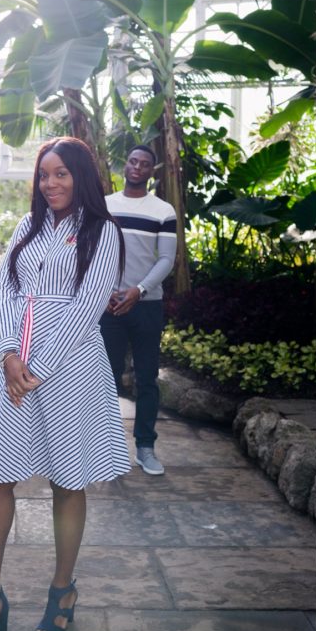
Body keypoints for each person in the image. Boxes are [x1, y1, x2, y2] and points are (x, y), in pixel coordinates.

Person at [0, 137, 129, 631]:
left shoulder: (102, 232)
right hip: (17, 370)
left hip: (70, 369)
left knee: (67, 482)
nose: (50, 183)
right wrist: (8, 354)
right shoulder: (25, 228)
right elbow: (4, 289)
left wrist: (38, 367)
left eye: (61, 174)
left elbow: (89, 304)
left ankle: (62, 591)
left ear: (81, 177)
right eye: (44, 174)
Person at [99, 144, 176, 476]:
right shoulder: (104, 206)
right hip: (109, 305)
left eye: (144, 164)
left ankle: (145, 448)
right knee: (106, 379)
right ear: (125, 165)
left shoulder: (163, 211)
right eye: (133, 161)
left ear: (151, 171)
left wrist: (139, 289)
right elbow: (93, 253)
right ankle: (107, 450)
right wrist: (102, 293)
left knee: (147, 379)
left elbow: (166, 259)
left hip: (147, 306)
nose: (137, 167)